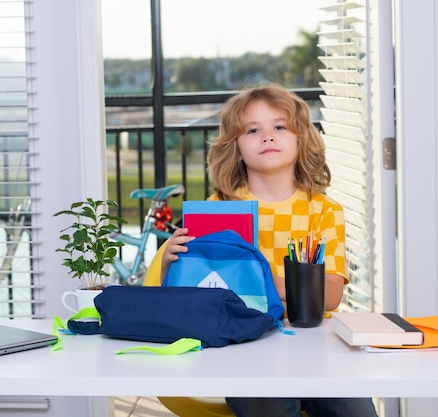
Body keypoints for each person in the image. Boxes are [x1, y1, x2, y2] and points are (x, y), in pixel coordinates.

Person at [160, 82, 378, 417]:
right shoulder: (216, 209)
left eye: (279, 126)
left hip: (314, 347)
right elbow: (197, 293)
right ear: (235, 147)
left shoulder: (324, 211)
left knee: (356, 411)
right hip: (244, 346)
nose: (267, 136)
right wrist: (171, 263)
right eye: (252, 130)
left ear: (300, 138)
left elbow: (331, 296)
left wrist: (255, 278)